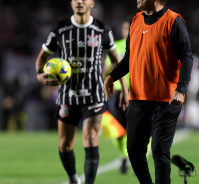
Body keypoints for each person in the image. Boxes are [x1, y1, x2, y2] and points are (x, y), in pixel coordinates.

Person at [35, 0, 129, 183]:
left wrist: (124, 88)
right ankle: (73, 178)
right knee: (64, 145)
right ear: (71, 3)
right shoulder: (60, 29)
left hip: (94, 94)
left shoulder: (102, 29)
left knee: (91, 138)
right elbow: (42, 58)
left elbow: (116, 61)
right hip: (67, 95)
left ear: (92, 3)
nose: (79, 1)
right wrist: (40, 76)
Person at [103, 0, 193, 183]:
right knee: (134, 150)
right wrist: (112, 76)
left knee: (160, 150)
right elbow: (129, 57)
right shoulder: (136, 20)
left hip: (166, 99)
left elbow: (186, 56)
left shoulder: (173, 21)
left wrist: (181, 88)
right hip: (139, 98)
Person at [103, 20, 130, 174]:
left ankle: (130, 155)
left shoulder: (141, 44)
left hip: (136, 92)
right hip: (119, 93)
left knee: (135, 127)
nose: (126, 30)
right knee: (119, 129)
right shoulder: (116, 47)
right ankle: (124, 156)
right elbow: (107, 68)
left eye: (129, 28)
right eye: (125, 28)